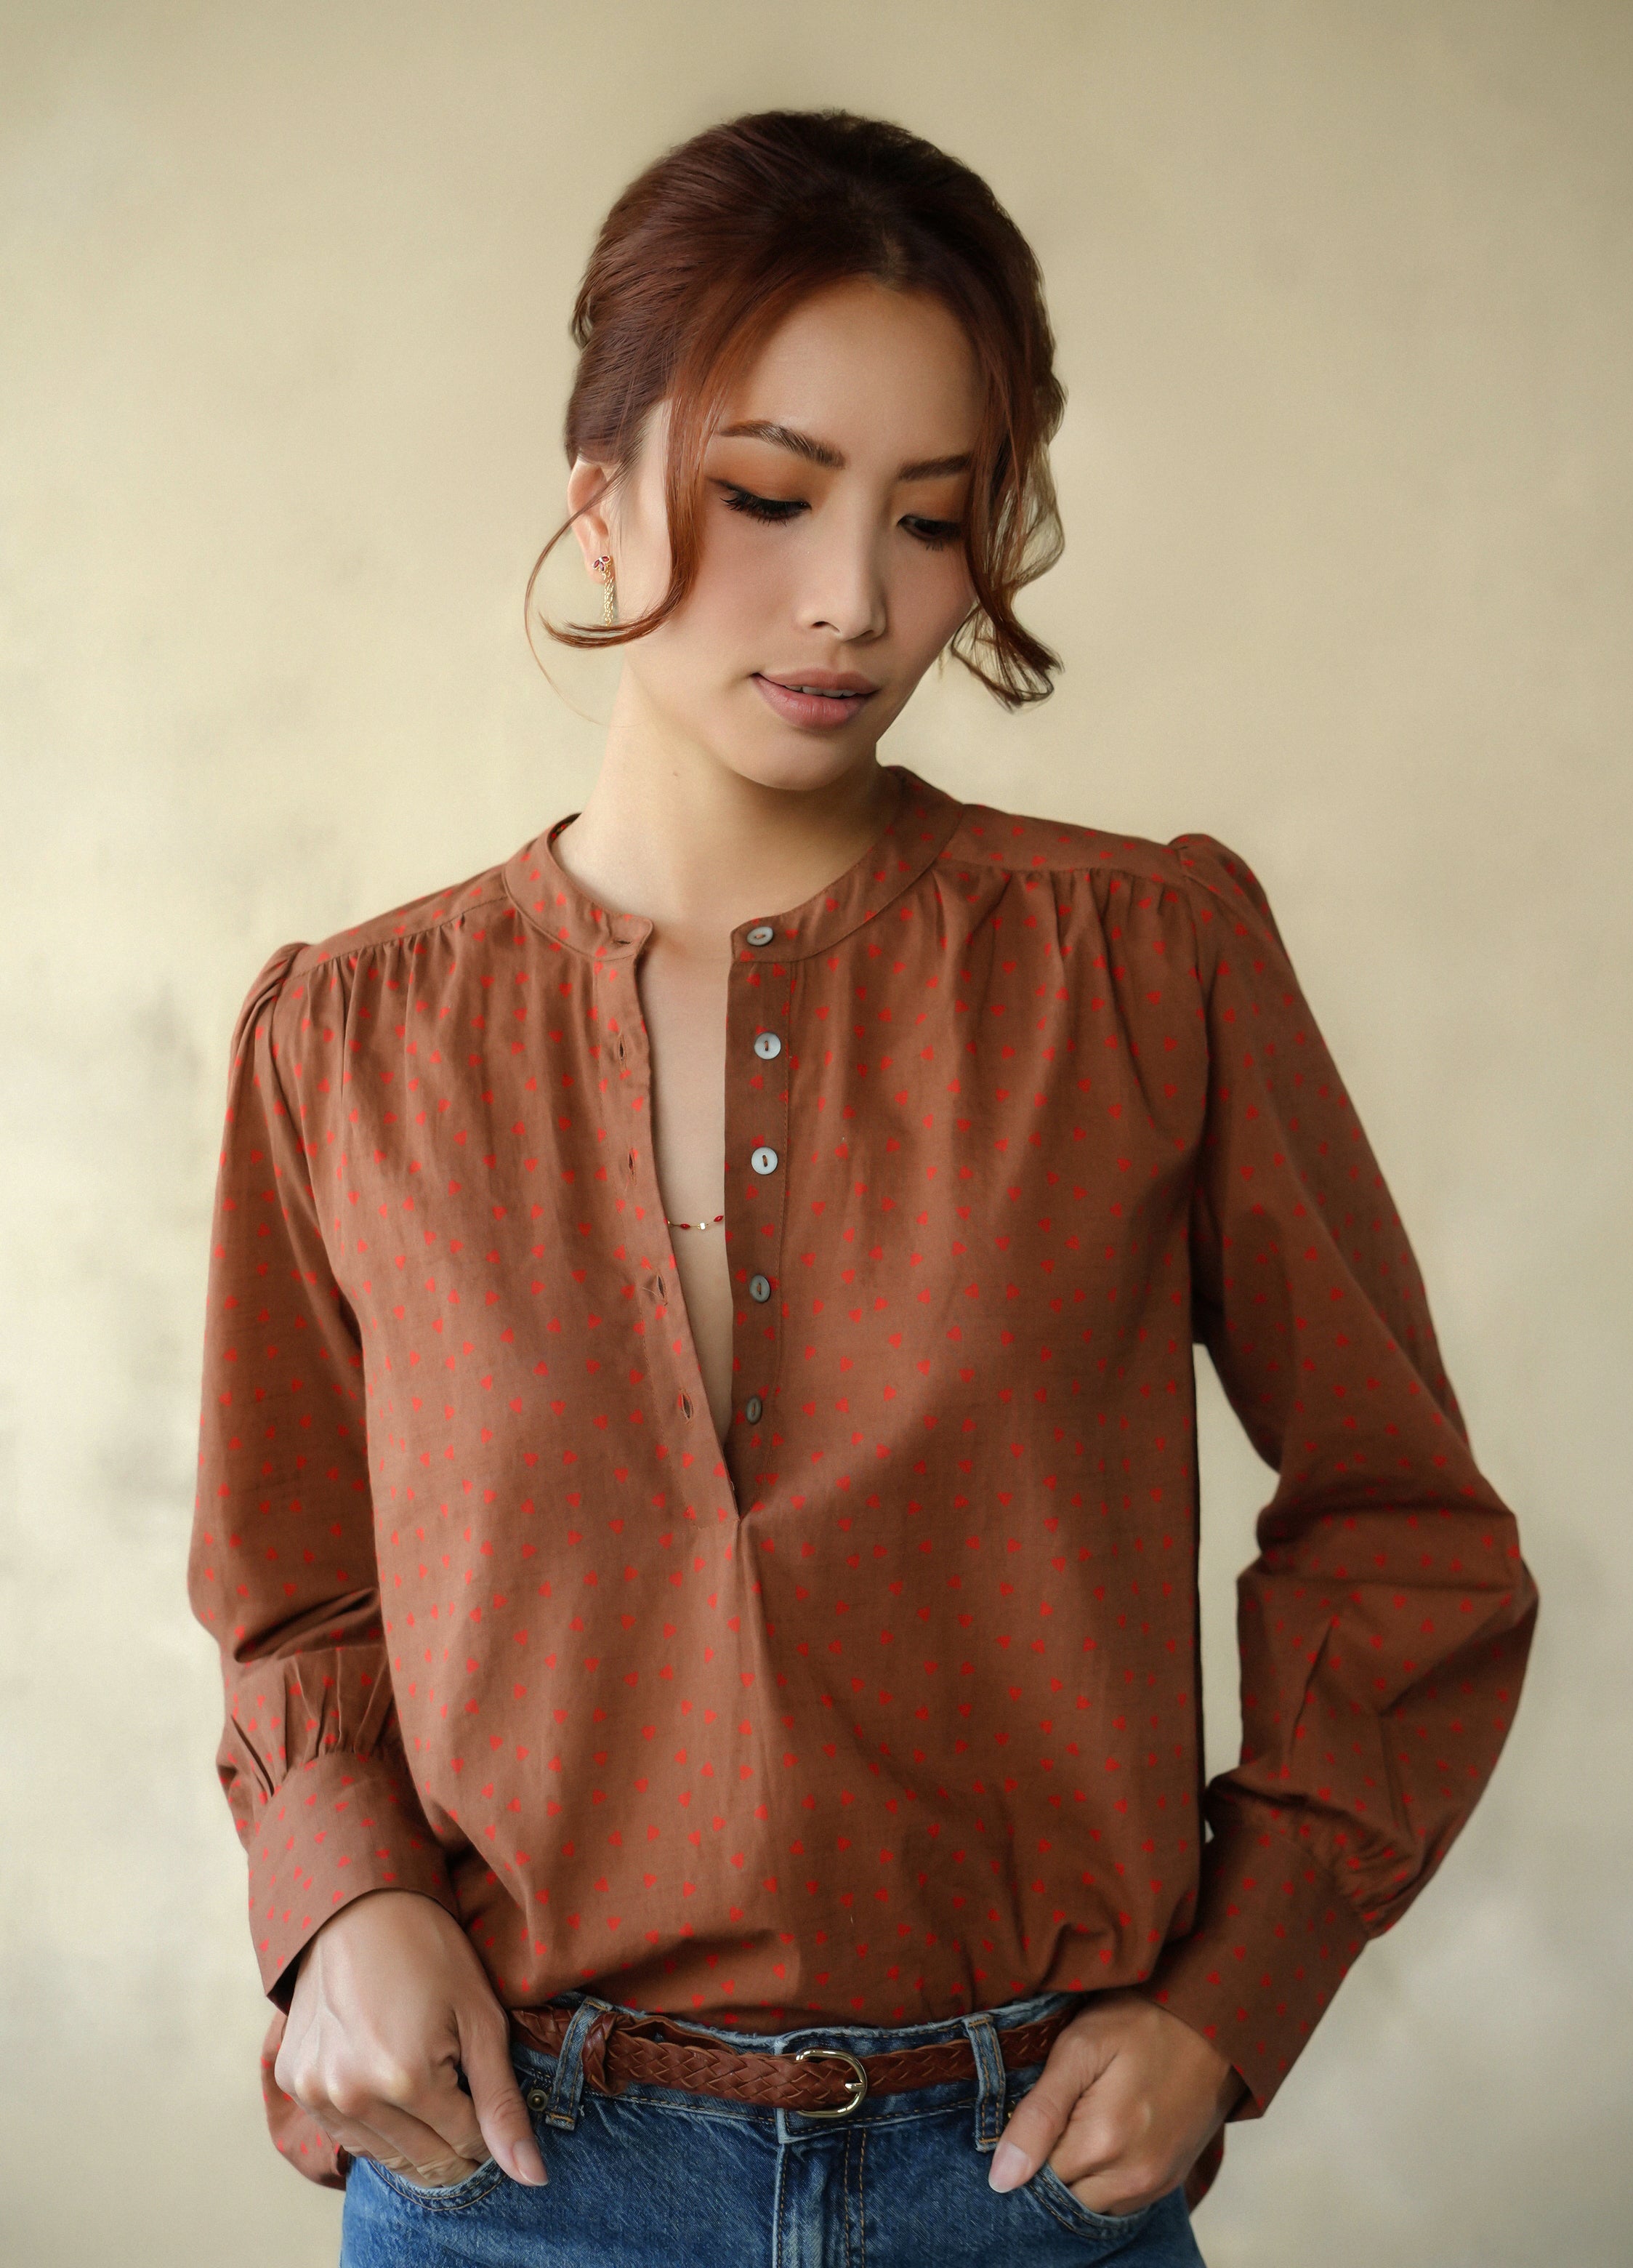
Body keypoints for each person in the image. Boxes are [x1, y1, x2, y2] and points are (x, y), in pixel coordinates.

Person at [189, 109, 1538, 2267]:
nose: (856, 600)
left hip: (1027, 2186)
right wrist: (337, 1904)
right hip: (514, 2178)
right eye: (772, 497)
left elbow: (1407, 1535)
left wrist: (1234, 1993)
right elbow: (294, 1586)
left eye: (937, 518)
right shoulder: (348, 1044)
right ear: (601, 496)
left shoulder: (1148, 966)